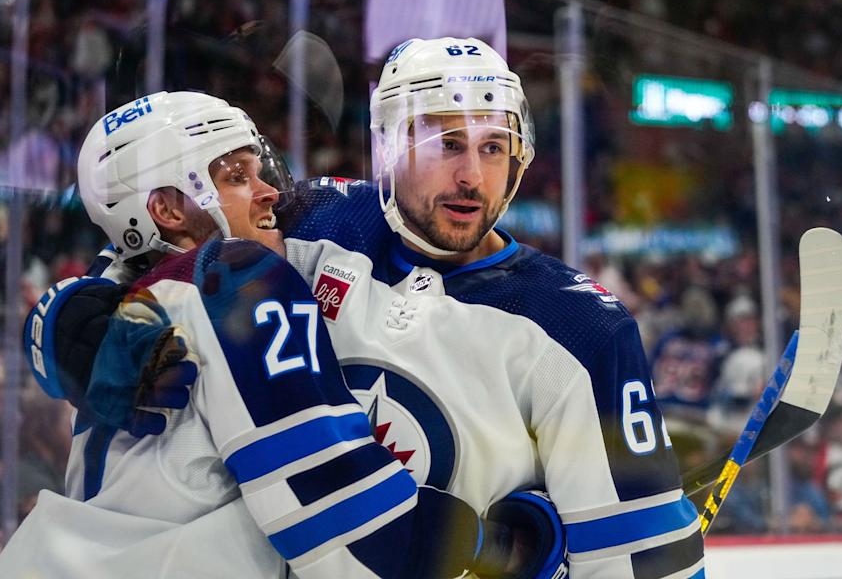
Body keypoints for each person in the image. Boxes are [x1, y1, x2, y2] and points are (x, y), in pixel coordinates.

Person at [28, 38, 705, 577]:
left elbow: (635, 556)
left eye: (492, 146)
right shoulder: (310, 220)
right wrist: (67, 322)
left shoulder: (584, 328)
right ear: (391, 145)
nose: (471, 173)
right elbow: (157, 256)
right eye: (444, 143)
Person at [9, 91, 563, 579]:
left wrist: (58, 313)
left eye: (259, 169)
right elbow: (358, 539)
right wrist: (509, 547)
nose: (269, 192)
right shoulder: (237, 277)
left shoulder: (145, 293)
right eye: (233, 177)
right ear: (167, 208)